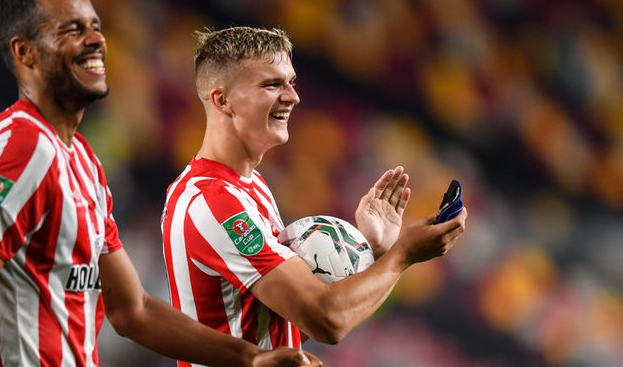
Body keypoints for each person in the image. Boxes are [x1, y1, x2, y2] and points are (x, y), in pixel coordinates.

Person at [0, 0, 321, 367]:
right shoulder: (20, 148)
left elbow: (133, 310)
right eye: (72, 30)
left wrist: (251, 358)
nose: (96, 40)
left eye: (95, 26)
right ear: (25, 53)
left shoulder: (85, 164)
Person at [161, 26, 468, 361]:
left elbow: (278, 325)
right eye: (272, 84)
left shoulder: (250, 186)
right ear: (223, 100)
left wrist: (371, 251)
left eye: (291, 82)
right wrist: (403, 255)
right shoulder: (213, 202)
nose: (293, 96)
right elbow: (326, 320)